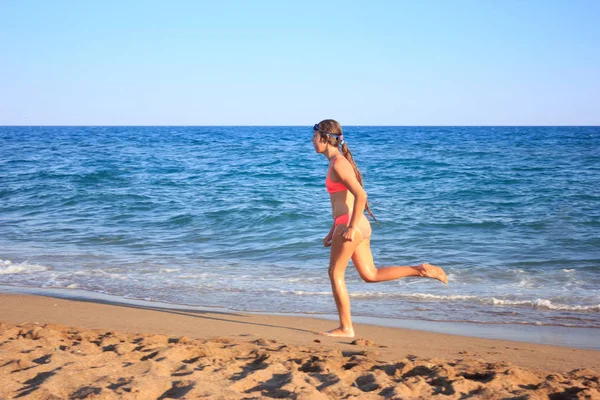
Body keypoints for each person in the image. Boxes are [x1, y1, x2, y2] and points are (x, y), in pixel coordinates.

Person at [311, 119, 448, 337]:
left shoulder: (338, 163)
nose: (312, 140)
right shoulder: (336, 162)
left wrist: (350, 227)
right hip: (351, 224)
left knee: (334, 273)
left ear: (325, 138)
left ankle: (346, 328)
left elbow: (361, 195)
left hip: (351, 225)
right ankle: (419, 269)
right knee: (370, 275)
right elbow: (343, 203)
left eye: (315, 136)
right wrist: (332, 230)